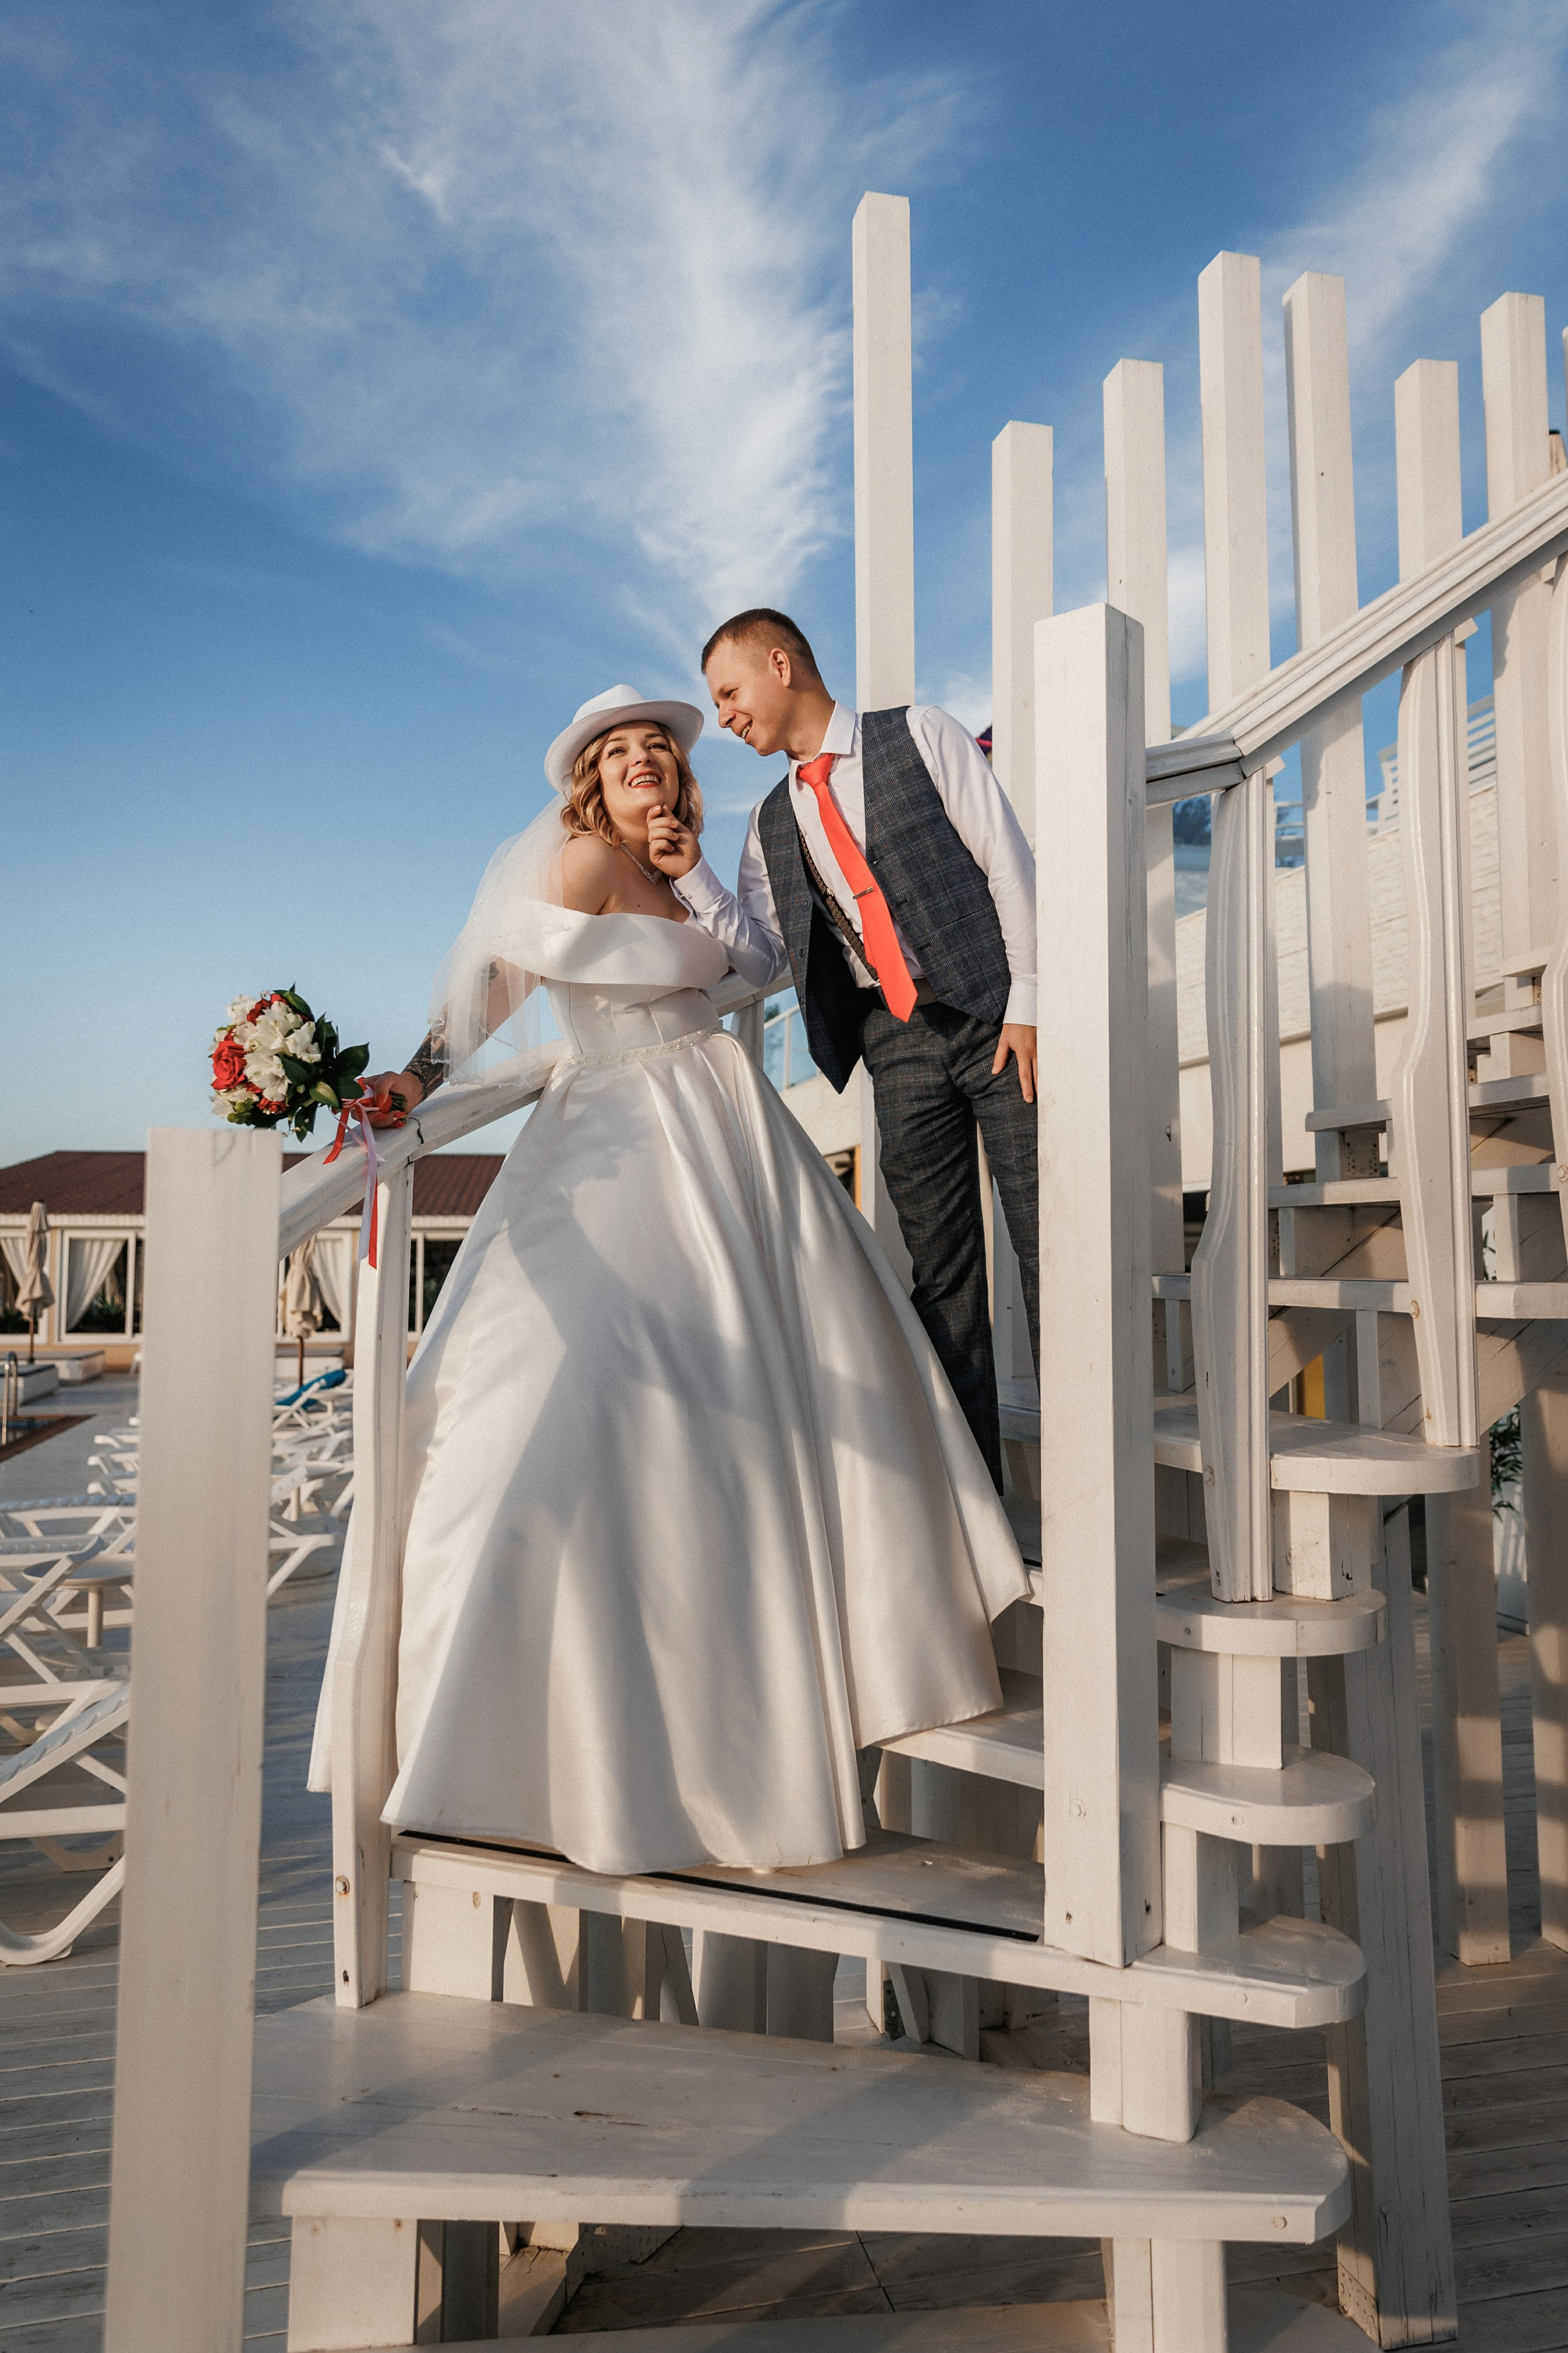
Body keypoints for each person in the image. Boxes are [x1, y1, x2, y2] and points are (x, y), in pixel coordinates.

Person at [308, 684, 1028, 1879]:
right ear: (588, 778)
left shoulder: (678, 861)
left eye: (660, 748)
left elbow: (750, 967)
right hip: (624, 1131)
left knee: (792, 1381)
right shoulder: (579, 856)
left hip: (729, 1131)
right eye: (623, 750)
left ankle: (805, 1658)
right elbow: (497, 978)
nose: (645, 761)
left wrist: (692, 869)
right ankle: (547, 1720)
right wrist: (418, 1082)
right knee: (610, 1387)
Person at [655, 610, 1038, 1492]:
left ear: (780, 664)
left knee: (1043, 1241)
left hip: (992, 1019)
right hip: (895, 1045)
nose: (725, 718)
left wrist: (1028, 1003)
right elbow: (760, 956)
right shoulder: (767, 823)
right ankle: (978, 1504)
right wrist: (694, 878)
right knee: (941, 1280)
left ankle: (1092, 1489)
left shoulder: (923, 734)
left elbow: (1007, 864)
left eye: (729, 693)